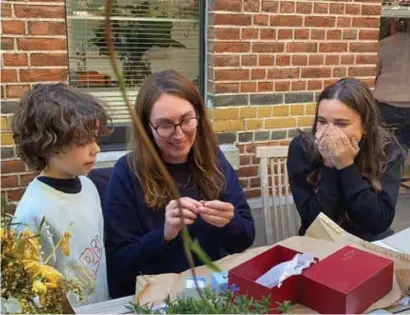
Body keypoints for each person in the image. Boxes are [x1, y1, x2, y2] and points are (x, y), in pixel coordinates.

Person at [103, 69, 255, 298]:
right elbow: (120, 264)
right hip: (158, 298)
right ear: (146, 128)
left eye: (186, 120)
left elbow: (247, 235)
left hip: (213, 291)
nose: (179, 134)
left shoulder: (214, 160)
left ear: (199, 116)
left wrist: (230, 222)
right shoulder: (127, 173)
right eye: (165, 125)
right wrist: (164, 235)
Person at [12, 84, 111, 306]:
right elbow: (24, 292)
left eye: (95, 137)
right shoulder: (33, 212)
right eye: (83, 140)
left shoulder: (89, 187)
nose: (95, 148)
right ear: (48, 144)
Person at [287, 78, 405, 242]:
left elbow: (377, 223)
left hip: (370, 243)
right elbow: (314, 222)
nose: (329, 132)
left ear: (365, 126)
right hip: (320, 242)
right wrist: (328, 164)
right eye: (322, 122)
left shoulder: (388, 150)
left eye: (341, 124)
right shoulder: (302, 148)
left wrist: (346, 166)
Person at [374, 18, 410, 153]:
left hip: (385, 105)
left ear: (393, 25)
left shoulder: (383, 45)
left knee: (386, 150)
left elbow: (373, 74)